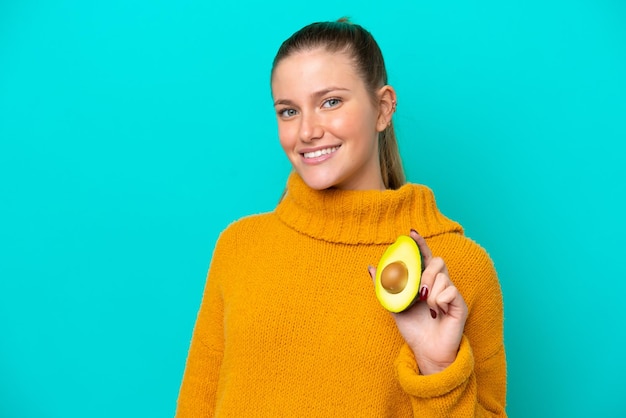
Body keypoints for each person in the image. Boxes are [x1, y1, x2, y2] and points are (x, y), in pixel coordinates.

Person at [176, 19, 506, 417]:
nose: (307, 131)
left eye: (330, 102)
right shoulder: (239, 248)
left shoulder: (459, 269)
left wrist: (437, 369)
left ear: (383, 108)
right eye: (288, 111)